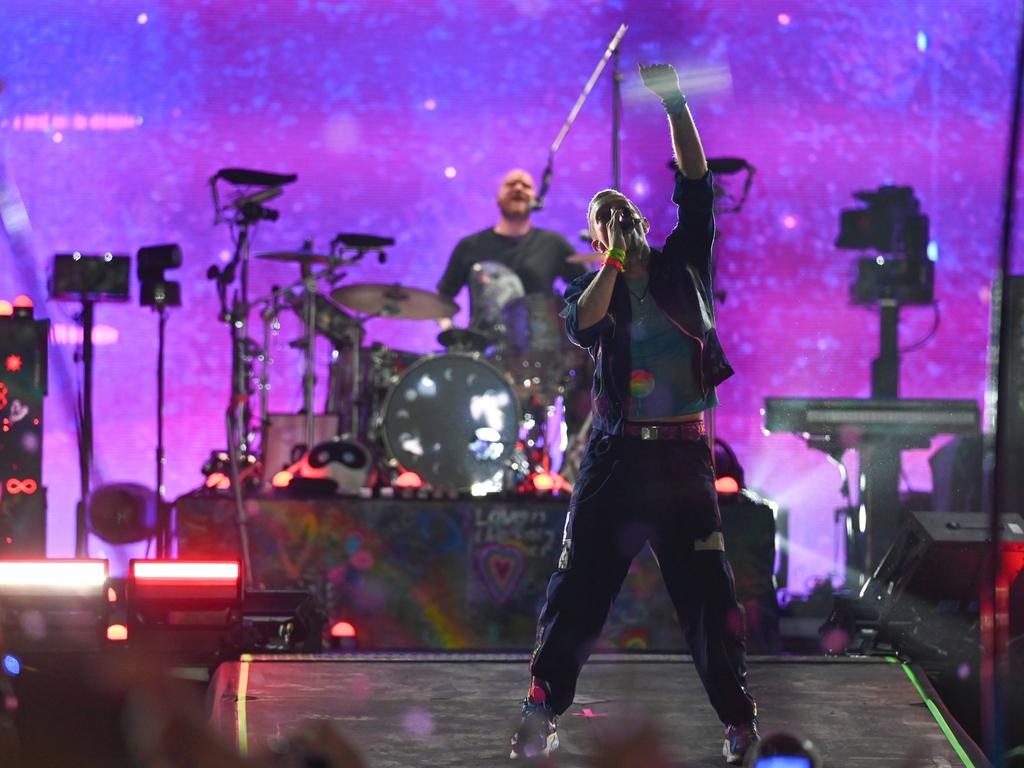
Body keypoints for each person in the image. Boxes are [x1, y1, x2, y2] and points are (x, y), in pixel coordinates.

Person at [508, 63, 759, 764]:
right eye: (603, 220)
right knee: (578, 589)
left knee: (708, 596)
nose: (617, 222)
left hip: (682, 459)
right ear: (595, 239)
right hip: (618, 460)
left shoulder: (684, 265)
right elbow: (581, 329)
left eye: (625, 214)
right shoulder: (598, 289)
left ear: (644, 221)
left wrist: (676, 105)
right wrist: (611, 265)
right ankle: (541, 711)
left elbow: (698, 185)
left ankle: (738, 720)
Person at [435, 169, 584, 330]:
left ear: (536, 199)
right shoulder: (469, 246)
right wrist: (450, 332)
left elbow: (588, 291)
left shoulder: (554, 244)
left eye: (526, 186)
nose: (518, 188)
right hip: (483, 350)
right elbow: (440, 302)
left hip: (543, 350)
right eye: (510, 184)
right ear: (498, 197)